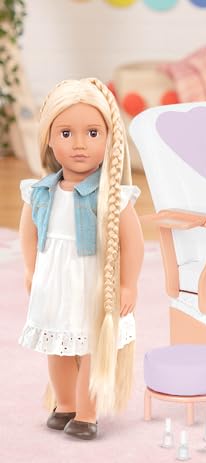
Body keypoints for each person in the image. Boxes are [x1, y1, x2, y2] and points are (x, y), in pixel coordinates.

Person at [19, 78, 144, 440]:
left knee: (91, 346)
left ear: (108, 139)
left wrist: (128, 284)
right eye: (66, 133)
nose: (79, 144)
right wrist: (30, 268)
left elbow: (133, 243)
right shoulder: (40, 192)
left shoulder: (113, 197)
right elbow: (29, 233)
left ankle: (87, 413)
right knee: (56, 346)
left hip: (93, 284)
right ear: (49, 138)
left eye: (92, 133)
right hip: (54, 284)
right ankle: (65, 404)